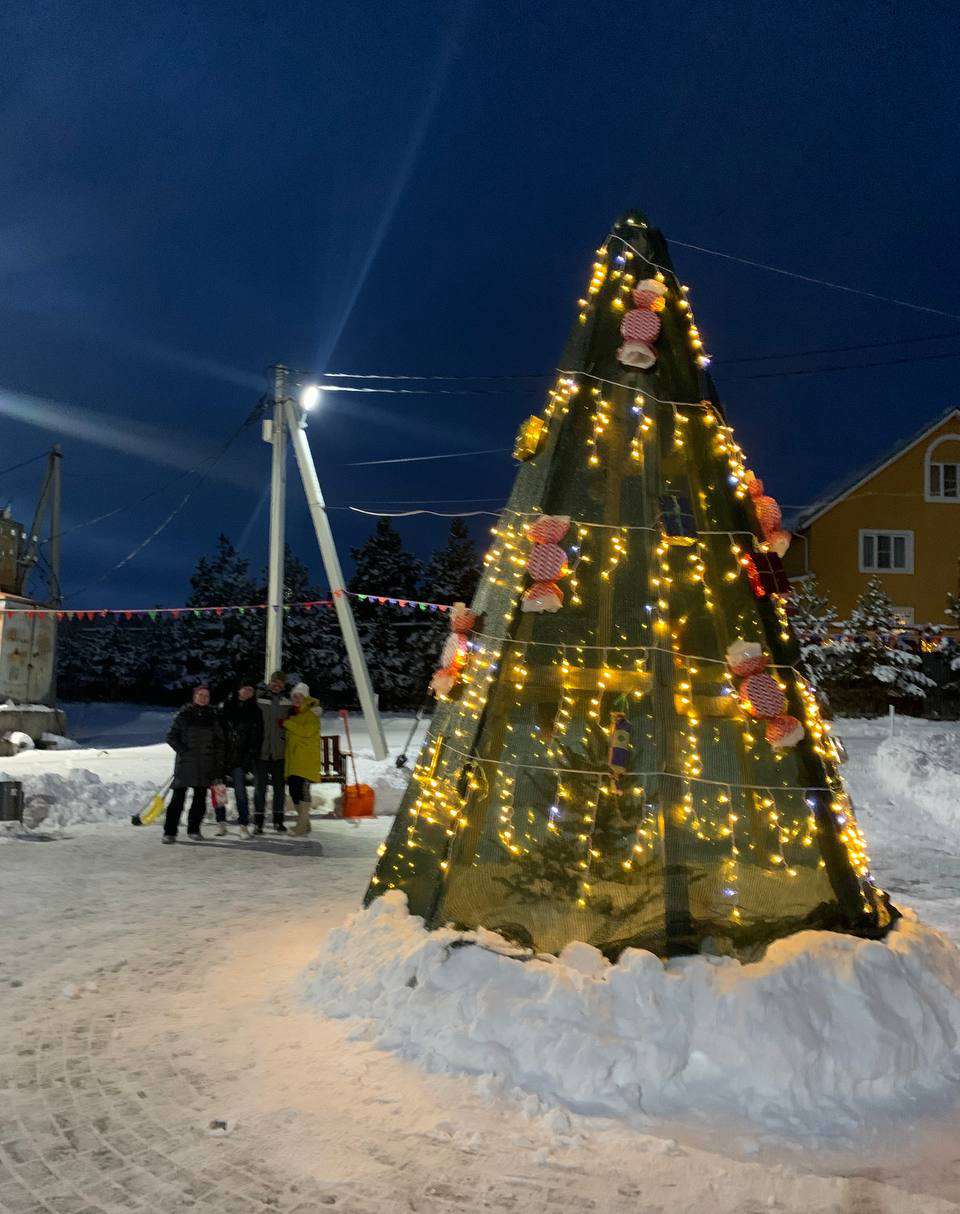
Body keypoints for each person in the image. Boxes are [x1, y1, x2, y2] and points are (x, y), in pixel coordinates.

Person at [162, 685, 226, 843]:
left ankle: (194, 830)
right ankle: (169, 832)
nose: (203, 698)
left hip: (205, 765)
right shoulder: (184, 714)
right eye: (201, 695)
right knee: (177, 799)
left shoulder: (213, 716)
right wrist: (183, 751)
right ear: (194, 696)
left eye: (206, 695)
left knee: (199, 799)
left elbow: (219, 741)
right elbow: (171, 737)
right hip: (185, 764)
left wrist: (216, 760)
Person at [221, 679, 264, 840]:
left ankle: (244, 824)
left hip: (240, 759)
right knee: (219, 791)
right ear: (238, 690)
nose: (247, 692)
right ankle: (221, 822)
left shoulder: (255, 710)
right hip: (222, 757)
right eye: (244, 689)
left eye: (250, 690)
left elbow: (258, 736)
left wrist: (249, 757)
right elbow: (218, 731)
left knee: (240, 792)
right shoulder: (226, 706)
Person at [281, 682, 322, 836]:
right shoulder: (295, 713)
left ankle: (301, 825)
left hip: (306, 760)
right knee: (294, 790)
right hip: (294, 760)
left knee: (303, 791)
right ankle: (305, 822)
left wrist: (287, 723)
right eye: (294, 696)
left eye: (300, 696)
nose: (297, 699)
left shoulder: (312, 713)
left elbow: (306, 731)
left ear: (306, 697)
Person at [255, 670, 291, 833]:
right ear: (270, 683)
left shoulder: (287, 701)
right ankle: (258, 822)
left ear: (283, 685)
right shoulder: (259, 698)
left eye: (280, 683)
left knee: (279, 789)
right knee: (260, 789)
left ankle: (278, 821)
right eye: (274, 682)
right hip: (262, 751)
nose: (277, 685)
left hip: (279, 753)